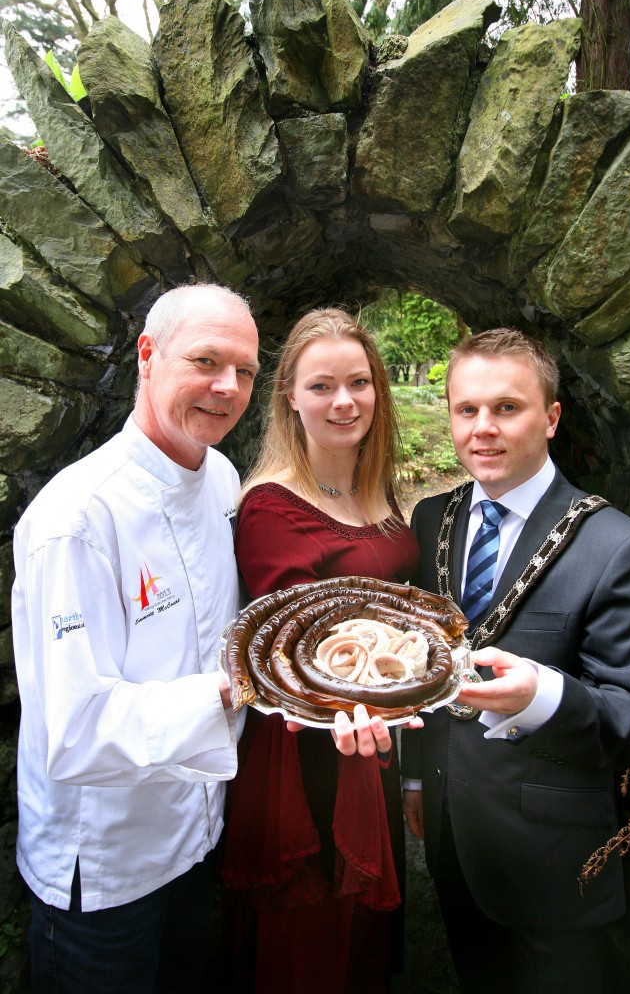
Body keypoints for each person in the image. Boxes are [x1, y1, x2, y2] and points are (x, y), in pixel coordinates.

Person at [11, 283, 261, 994]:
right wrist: (233, 688)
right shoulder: (76, 518)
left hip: (196, 835)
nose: (227, 387)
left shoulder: (219, 478)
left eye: (244, 370)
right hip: (106, 868)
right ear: (148, 356)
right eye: (206, 361)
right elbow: (74, 732)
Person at [401, 328, 630, 994]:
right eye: (466, 410)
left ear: (550, 418)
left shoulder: (615, 544)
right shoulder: (431, 519)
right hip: (450, 834)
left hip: (554, 859)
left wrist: (542, 696)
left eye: (506, 408)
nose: (481, 429)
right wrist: (412, 781)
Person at [220, 307, 419, 994]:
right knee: (312, 946)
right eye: (322, 386)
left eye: (359, 383)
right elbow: (289, 655)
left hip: (380, 734)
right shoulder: (271, 509)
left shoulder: (378, 492)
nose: (344, 401)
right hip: (313, 752)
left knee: (361, 953)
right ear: (289, 397)